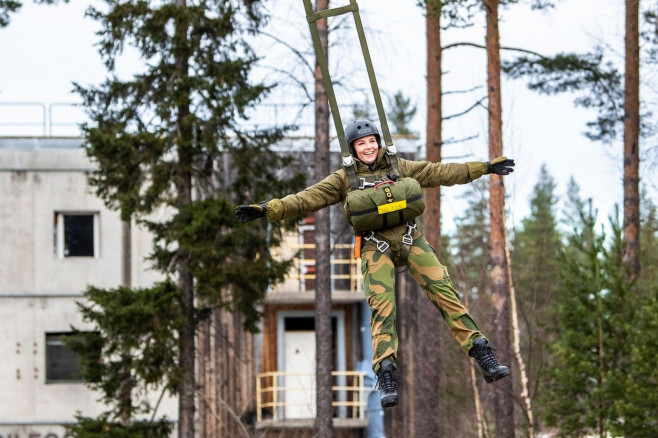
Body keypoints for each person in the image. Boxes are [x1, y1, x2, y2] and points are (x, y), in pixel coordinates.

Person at [236, 119, 513, 408]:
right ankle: (386, 372)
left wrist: (485, 167)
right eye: (361, 143)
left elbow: (440, 172)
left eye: (371, 141)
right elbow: (308, 198)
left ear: (378, 143)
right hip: (375, 245)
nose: (368, 147)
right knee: (383, 307)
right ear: (353, 149)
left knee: (444, 290)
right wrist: (269, 209)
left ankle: (481, 351)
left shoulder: (398, 167)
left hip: (410, 238)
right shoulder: (343, 179)